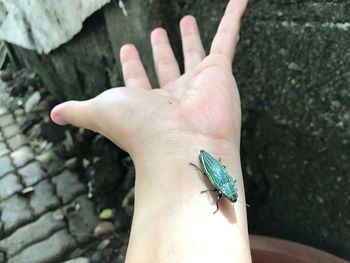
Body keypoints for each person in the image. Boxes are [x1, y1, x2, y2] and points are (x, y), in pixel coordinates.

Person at [51, 0, 251, 262]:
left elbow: (220, 184)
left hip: (212, 165)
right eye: (230, 196)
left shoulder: (224, 189)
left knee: (207, 182)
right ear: (226, 193)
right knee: (207, 183)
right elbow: (217, 184)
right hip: (211, 164)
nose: (230, 198)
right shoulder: (222, 189)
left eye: (230, 197)